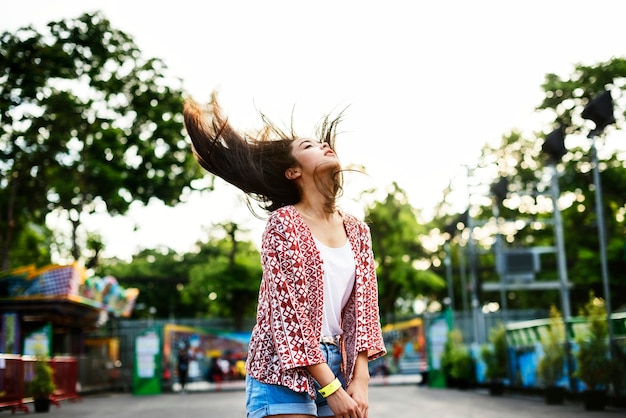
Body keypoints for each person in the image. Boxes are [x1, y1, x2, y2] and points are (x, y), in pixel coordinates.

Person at [183, 93, 386, 418]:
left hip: (338, 362)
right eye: (309, 146)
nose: (322, 146)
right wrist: (331, 388)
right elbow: (287, 315)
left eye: (321, 143)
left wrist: (360, 379)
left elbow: (364, 311)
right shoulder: (284, 223)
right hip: (280, 366)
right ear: (293, 172)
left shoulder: (358, 230)